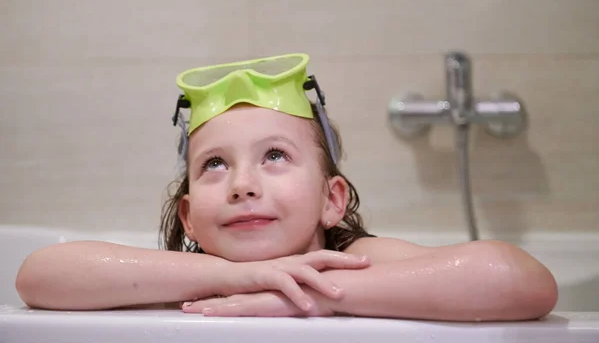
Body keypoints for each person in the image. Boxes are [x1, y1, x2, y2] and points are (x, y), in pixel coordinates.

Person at [15, 53, 558, 320]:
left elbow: (518, 280)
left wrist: (309, 299)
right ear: (187, 217)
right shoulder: (184, 272)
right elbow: (37, 277)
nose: (242, 185)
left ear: (332, 199)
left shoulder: (353, 258)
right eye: (214, 166)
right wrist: (234, 274)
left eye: (275, 155)